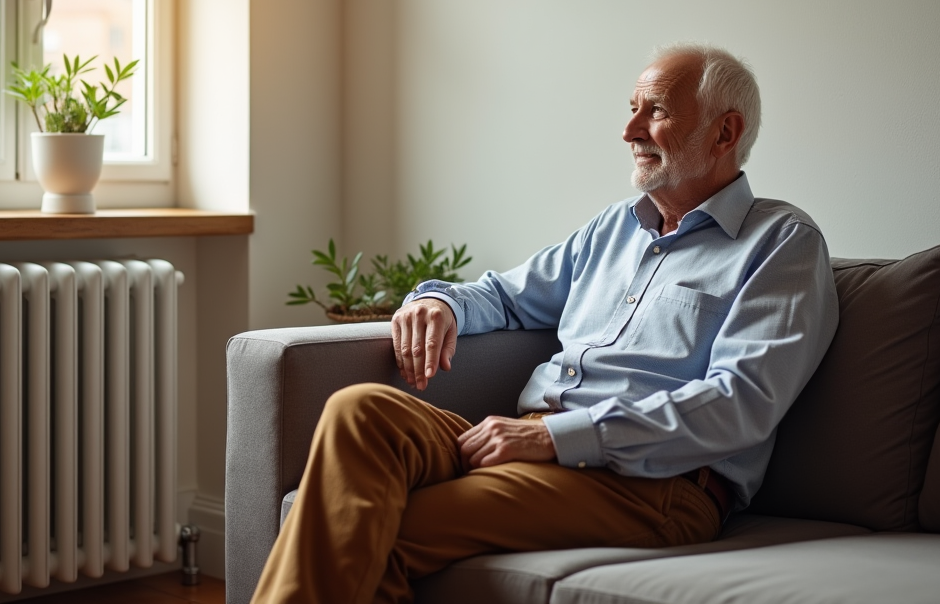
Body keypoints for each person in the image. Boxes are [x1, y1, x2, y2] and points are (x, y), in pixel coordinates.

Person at [251, 43, 839, 604]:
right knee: (360, 410)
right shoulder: (614, 229)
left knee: (373, 527)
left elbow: (740, 403)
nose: (630, 131)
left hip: (653, 486)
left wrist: (554, 437)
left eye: (655, 111)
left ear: (725, 132)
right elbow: (505, 297)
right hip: (528, 442)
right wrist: (439, 303)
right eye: (632, 110)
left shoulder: (781, 244)